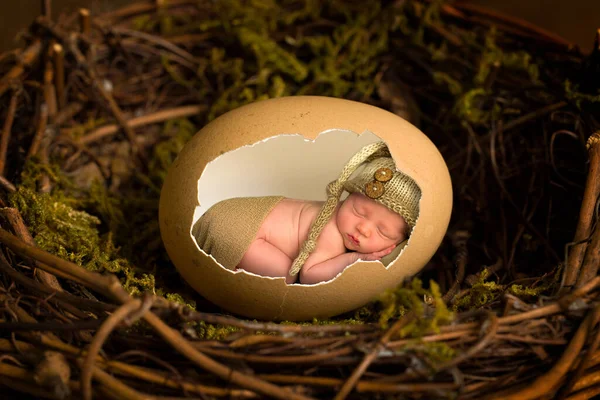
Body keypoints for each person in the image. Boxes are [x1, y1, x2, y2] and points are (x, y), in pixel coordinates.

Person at [193, 141, 420, 284]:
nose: (363, 228)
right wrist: (354, 258)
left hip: (229, 216)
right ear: (345, 197)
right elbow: (310, 275)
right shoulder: (330, 229)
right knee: (287, 277)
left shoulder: (342, 224)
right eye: (358, 211)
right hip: (236, 228)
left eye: (383, 231)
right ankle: (231, 275)